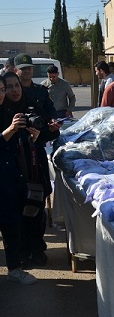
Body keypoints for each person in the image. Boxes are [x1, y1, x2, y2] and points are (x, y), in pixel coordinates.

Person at [3, 71, 59, 269]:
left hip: (34, 167)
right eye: (9, 87)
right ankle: (22, 251)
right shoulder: (2, 110)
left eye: (16, 85)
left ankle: (37, 248)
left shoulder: (32, 103)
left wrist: (46, 130)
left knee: (35, 209)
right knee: (17, 213)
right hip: (12, 170)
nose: (14, 90)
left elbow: (46, 132)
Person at [0, 75, 37, 284]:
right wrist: (10, 130)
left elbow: (16, 143)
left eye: (2, 90)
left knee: (11, 225)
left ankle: (14, 268)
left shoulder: (7, 111)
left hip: (8, 178)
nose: (2, 94)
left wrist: (32, 136)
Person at [15, 54, 58, 120]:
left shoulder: (41, 90)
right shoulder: (12, 92)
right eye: (23, 69)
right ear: (15, 71)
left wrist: (53, 120)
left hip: (40, 128)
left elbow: (50, 109)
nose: (27, 71)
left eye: (29, 68)